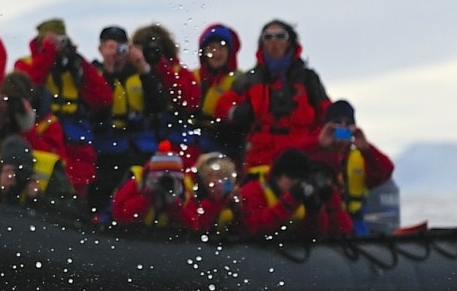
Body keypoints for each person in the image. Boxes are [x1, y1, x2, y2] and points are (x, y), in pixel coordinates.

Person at [221, 20, 329, 177]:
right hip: (261, 156)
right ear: (262, 43)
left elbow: (326, 112)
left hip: (301, 154)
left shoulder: (307, 78)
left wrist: (318, 140)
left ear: (290, 42)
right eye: (268, 37)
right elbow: (223, 107)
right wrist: (240, 113)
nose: (274, 41)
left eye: (280, 36)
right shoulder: (250, 79)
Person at [13, 18, 107, 193]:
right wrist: (47, 53)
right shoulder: (25, 63)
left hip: (75, 134)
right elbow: (31, 85)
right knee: (44, 179)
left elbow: (103, 98)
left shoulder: (76, 66)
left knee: (78, 185)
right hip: (42, 129)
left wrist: (78, 62)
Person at [91, 25, 163, 207]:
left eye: (121, 47)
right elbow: (98, 108)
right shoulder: (95, 74)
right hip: (106, 143)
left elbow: (158, 105)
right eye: (110, 47)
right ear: (100, 49)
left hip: (139, 145)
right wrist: (108, 72)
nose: (116, 53)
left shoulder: (139, 74)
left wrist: (143, 67)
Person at [309, 99, 395, 235]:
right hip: (322, 221)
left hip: (354, 223)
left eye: (348, 123)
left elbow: (386, 170)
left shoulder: (361, 157)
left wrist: (368, 150)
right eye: (337, 123)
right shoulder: (314, 154)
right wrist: (318, 144)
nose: (343, 127)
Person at [239, 148, 353, 240]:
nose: (297, 183)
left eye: (301, 179)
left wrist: (315, 208)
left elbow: (320, 234)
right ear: (277, 176)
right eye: (292, 177)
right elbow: (257, 230)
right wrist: (290, 199)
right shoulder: (253, 191)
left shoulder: (303, 194)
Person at [133, 22, 201, 156]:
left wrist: (162, 68)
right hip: (142, 138)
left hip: (176, 136)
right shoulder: (132, 74)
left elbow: (189, 102)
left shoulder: (180, 73)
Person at [109, 140, 191, 229]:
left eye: (172, 177)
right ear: (150, 174)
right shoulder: (137, 183)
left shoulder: (184, 188)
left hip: (165, 237)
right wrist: (146, 196)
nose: (165, 181)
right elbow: (120, 216)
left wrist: (174, 203)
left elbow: (193, 224)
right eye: (159, 176)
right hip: (134, 233)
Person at [0, 134, 78, 211]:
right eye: (8, 170)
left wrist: (39, 197)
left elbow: (73, 208)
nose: (12, 175)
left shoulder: (49, 169)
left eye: (19, 169)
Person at [195, 24, 243, 158]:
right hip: (195, 138)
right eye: (211, 48)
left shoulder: (239, 81)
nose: (216, 53)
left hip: (226, 141)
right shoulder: (192, 78)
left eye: (221, 48)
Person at [183, 152, 248, 236]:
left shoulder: (235, 199)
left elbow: (248, 229)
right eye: (218, 177)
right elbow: (198, 227)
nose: (222, 183)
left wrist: (238, 207)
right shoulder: (195, 199)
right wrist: (214, 201)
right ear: (204, 179)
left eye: (227, 179)